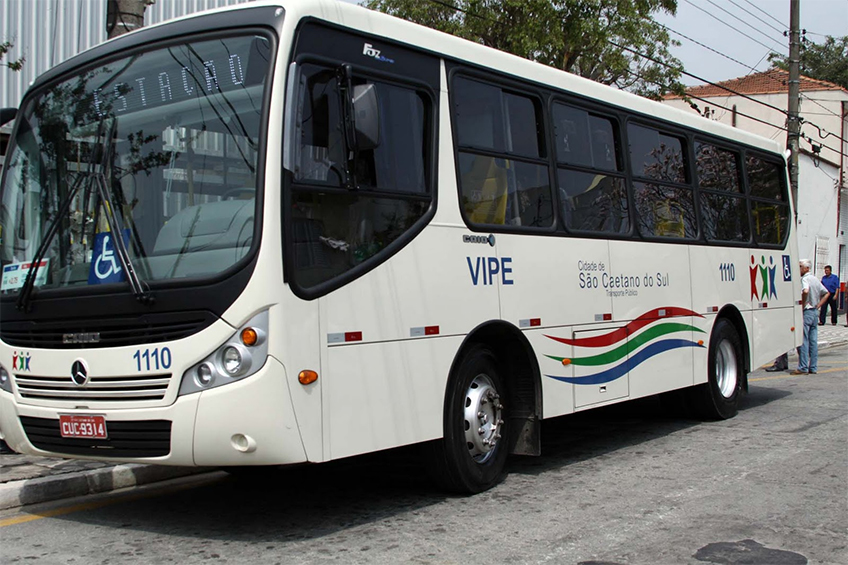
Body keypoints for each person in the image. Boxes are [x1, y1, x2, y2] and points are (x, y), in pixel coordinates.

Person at [792, 259, 830, 375]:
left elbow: (805, 291)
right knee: (813, 341)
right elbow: (827, 293)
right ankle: (813, 367)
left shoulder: (805, 279)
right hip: (814, 312)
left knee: (803, 339)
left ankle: (803, 366)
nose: (799, 269)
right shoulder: (815, 279)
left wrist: (802, 304)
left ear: (806, 268)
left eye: (800, 267)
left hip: (807, 311)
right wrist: (819, 304)